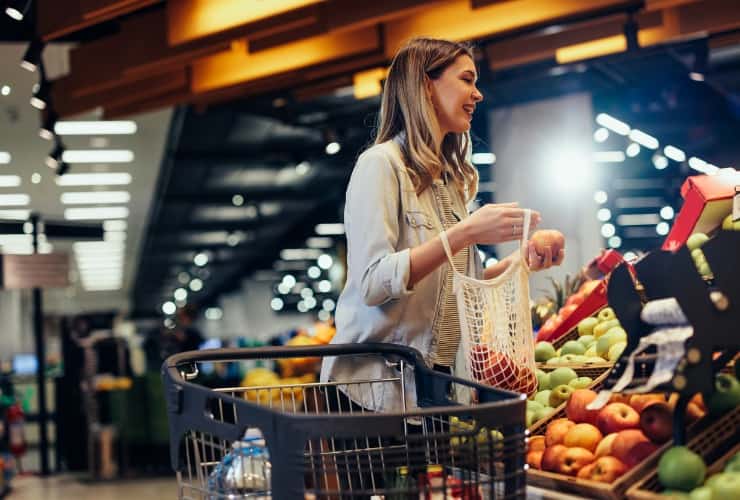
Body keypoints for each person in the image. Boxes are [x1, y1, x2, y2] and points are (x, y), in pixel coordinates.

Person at [320, 38, 565, 414]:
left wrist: (525, 259)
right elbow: (371, 282)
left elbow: (459, 286)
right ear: (425, 87)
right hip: (374, 395)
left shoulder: (448, 181)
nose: (478, 94)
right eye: (467, 79)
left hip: (433, 388)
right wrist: (466, 232)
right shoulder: (381, 165)